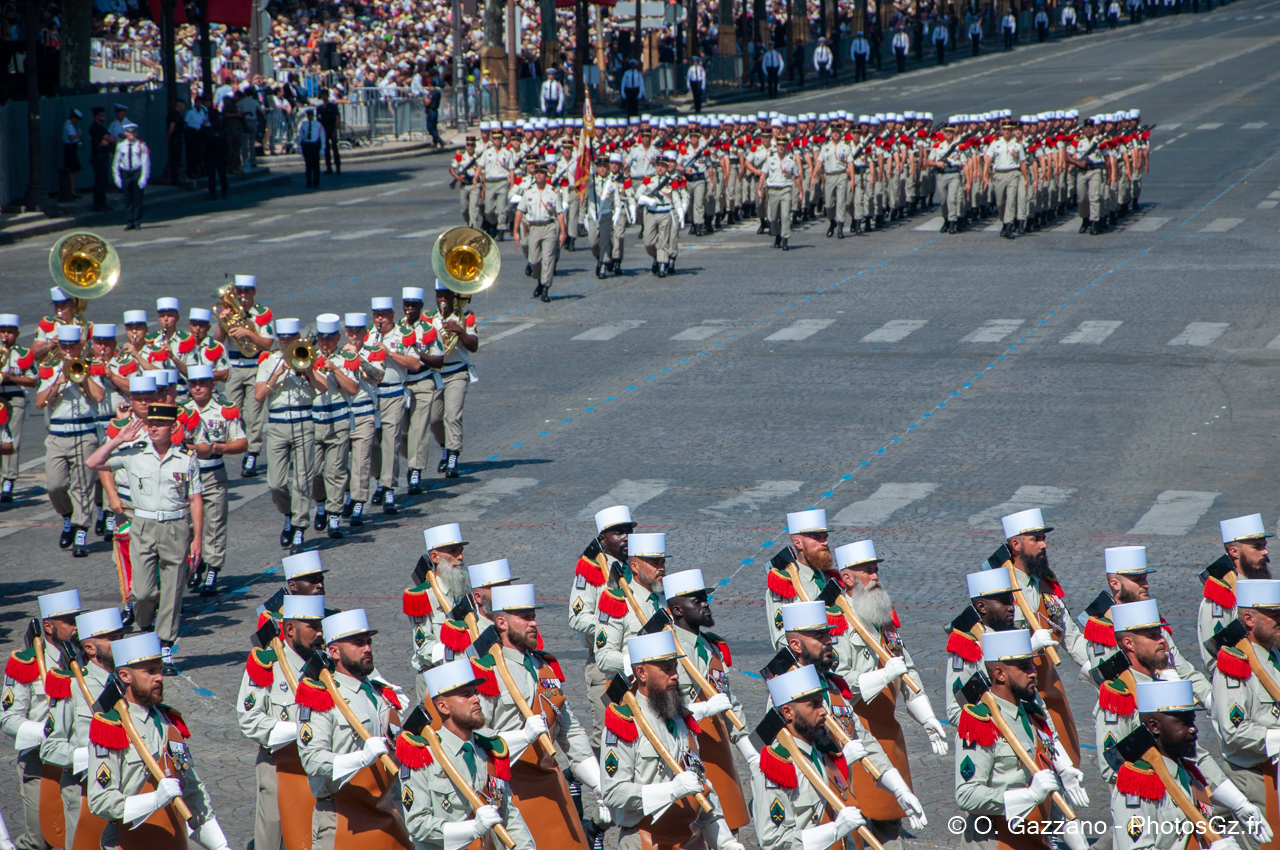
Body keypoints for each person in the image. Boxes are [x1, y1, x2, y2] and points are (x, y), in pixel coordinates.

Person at [829, 540, 942, 850]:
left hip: (889, 734)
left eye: (876, 570)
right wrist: (881, 675)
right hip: (854, 734)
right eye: (867, 571)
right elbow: (837, 682)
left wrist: (928, 718)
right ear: (848, 578)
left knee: (891, 820)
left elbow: (909, 673)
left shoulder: (883, 616)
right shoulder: (836, 624)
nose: (875, 577)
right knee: (857, 822)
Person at [471, 582, 602, 848]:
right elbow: (477, 737)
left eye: (534, 616)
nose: (533, 623)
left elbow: (570, 728)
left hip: (551, 782)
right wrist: (522, 736)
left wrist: (598, 784)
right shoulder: (487, 671)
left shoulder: (544, 666)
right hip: (511, 787)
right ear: (501, 622)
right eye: (525, 617)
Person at [599, 631, 743, 850]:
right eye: (666, 669)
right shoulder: (624, 723)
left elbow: (702, 787)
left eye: (675, 667)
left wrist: (725, 842)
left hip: (691, 839)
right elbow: (613, 793)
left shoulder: (683, 718)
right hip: (646, 839)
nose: (675, 675)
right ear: (642, 673)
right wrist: (670, 791)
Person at [87, 632, 231, 850]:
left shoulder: (168, 721)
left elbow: (191, 784)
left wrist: (219, 845)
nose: (160, 677)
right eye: (150, 671)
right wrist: (154, 800)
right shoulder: (110, 729)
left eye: (161, 670)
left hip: (172, 839)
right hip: (129, 840)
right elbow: (100, 800)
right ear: (125, 676)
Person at [87, 402, 202, 675]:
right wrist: (118, 439)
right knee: (142, 592)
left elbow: (196, 498)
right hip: (143, 524)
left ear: (173, 427)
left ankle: (165, 645)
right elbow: (94, 462)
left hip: (175, 524)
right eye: (150, 423)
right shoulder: (133, 452)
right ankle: (146, 627)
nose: (153, 428)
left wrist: (198, 538)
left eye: (159, 424)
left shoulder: (186, 457)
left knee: (173, 590)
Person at [954, 630, 1088, 850]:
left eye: (1032, 666)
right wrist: (1027, 796)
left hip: (1035, 838)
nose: (1033, 673)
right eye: (1024, 667)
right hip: (998, 839)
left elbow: (1047, 785)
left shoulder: (1032, 715)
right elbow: (966, 795)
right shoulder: (980, 722)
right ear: (1000, 674)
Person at [296, 609, 411, 850]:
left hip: (384, 810)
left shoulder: (380, 693)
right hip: (342, 815)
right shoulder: (321, 698)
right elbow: (312, 759)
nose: (367, 648)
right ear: (334, 651)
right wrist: (361, 758)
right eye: (358, 643)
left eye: (368, 642)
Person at [400, 657, 533, 849]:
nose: (476, 699)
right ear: (443, 707)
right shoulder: (424, 757)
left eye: (475, 692)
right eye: (466, 694)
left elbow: (508, 813)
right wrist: (472, 830)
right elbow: (417, 824)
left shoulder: (488, 751)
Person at [1110, 680, 1256, 850]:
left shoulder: (1188, 773)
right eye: (1184, 722)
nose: (1194, 729)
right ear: (1154, 727)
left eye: (1192, 721)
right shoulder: (1139, 785)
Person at [663, 569, 754, 831]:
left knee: (730, 827)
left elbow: (729, 700)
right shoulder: (664, 648)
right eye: (697, 600)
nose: (706, 604)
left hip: (718, 748)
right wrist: (701, 709)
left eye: (706, 598)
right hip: (685, 750)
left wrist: (749, 753)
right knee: (694, 830)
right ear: (678, 610)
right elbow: (657, 708)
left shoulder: (712, 647)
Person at [994, 508, 1085, 766]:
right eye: (1036, 539)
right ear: (1016, 545)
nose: (1044, 544)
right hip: (1017, 697)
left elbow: (1070, 636)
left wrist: (1097, 671)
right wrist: (1028, 646)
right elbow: (989, 646)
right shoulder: (999, 590)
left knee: (1068, 763)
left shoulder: (1044, 583)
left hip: (1050, 692)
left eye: (1044, 538)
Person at [237, 592, 326, 850]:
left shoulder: (326, 666)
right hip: (279, 767)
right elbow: (249, 719)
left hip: (318, 770)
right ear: (290, 629)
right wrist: (300, 731)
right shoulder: (266, 664)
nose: (320, 633)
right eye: (312, 627)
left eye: (321, 626)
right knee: (272, 842)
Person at [752, 664, 869, 850]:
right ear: (788, 712)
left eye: (821, 703)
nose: (823, 711)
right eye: (813, 705)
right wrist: (834, 831)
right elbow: (774, 842)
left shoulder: (825, 751)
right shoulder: (778, 766)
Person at [0, 589, 80, 850]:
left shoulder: (85, 660)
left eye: (77, 620)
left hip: (78, 760)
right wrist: (46, 731)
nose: (76, 628)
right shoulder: (27, 663)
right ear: (48, 626)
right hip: (40, 761)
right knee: (40, 839)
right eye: (69, 622)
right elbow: (8, 718)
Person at [40, 605, 124, 850]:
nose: (119, 643)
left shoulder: (129, 683)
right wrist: (86, 757)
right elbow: (50, 747)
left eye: (121, 637)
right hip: (82, 789)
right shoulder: (73, 686)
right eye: (111, 639)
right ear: (90, 648)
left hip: (123, 789)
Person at [1210, 579, 1280, 850]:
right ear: (1249, 618)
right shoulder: (1234, 667)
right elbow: (1234, 731)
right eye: (1274, 615)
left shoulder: (1272, 654)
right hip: (1255, 776)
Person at [255, 317, 325, 552]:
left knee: (303, 478)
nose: (286, 344)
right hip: (276, 425)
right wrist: (279, 373)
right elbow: (258, 395)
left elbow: (322, 389)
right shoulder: (269, 361)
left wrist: (307, 370)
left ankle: (299, 527)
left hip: (304, 422)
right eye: (283, 340)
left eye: (290, 340)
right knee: (276, 483)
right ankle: (287, 514)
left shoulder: (306, 356)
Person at [567, 505, 634, 746]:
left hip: (640, 661)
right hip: (604, 662)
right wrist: (612, 626)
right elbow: (576, 617)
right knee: (605, 734)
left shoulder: (638, 566)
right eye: (618, 532)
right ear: (603, 540)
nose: (626, 537)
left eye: (629, 531)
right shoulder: (591, 570)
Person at [37, 324, 106, 557]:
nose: (68, 351)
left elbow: (99, 396)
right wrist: (59, 381)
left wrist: (81, 377)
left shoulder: (90, 367)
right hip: (57, 435)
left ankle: (81, 531)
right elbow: (39, 403)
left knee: (83, 486)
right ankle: (67, 517)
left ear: (80, 346)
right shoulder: (49, 368)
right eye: (64, 346)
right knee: (54, 485)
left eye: (72, 346)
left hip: (84, 433)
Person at [187, 363, 246, 595]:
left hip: (213, 472)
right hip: (188, 474)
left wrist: (219, 447)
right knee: (189, 526)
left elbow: (242, 442)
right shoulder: (181, 410)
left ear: (213, 384)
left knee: (215, 523)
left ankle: (213, 569)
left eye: (203, 383)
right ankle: (194, 563)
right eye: (194, 384)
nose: (198, 388)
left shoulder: (224, 409)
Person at [213, 275, 274, 477]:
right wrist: (223, 323)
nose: (242, 295)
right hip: (234, 368)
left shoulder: (261, 315)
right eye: (239, 292)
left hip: (255, 366)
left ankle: (252, 453)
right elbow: (217, 343)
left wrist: (248, 333)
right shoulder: (229, 312)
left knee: (253, 413)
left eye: (247, 291)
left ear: (254, 292)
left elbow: (267, 345)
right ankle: (229, 446)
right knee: (232, 410)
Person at [1197, 514, 1269, 675]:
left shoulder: (1263, 588)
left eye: (1264, 545)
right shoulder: (1220, 600)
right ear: (1234, 552)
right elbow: (1214, 658)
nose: (1265, 551)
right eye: (1257, 547)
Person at [419, 282, 477, 479]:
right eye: (439, 295)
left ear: (454, 296)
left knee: (452, 415)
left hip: (457, 373)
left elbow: (474, 345)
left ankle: (453, 456)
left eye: (446, 295)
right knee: (435, 419)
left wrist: (459, 331)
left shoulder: (464, 317)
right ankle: (445, 447)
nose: (442, 299)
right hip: (436, 373)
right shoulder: (428, 319)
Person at [595, 532, 670, 678]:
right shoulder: (618, 603)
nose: (661, 569)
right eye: (655, 563)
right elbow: (604, 657)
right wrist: (641, 662)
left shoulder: (669, 599)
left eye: (663, 563)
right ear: (634, 567)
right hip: (635, 688)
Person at [308, 314, 355, 539]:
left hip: (338, 421)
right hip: (314, 421)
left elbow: (352, 389)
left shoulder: (347, 357)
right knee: (315, 471)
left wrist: (335, 370)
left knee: (334, 471)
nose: (325, 343)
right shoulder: (308, 357)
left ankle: (334, 516)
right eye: (321, 339)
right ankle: (320, 505)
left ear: (337, 337)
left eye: (329, 339)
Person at [337, 312, 382, 524]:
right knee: (338, 460)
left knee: (361, 461)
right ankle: (346, 494)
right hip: (343, 413)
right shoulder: (338, 354)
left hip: (364, 413)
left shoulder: (373, 352)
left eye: (359, 332)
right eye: (351, 332)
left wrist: (358, 358)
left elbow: (378, 375)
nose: (354, 336)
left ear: (365, 333)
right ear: (346, 332)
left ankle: (358, 503)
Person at [513, 164, 565, 302]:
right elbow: (520, 211)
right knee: (534, 260)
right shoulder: (528, 192)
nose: (539, 175)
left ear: (546, 175)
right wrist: (515, 230)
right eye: (537, 173)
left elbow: (559, 213)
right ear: (534, 175)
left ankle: (545, 288)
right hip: (534, 227)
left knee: (548, 258)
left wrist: (563, 232)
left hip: (549, 227)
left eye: (542, 173)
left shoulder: (553, 193)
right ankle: (540, 282)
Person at [0, 314, 37, 503]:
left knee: (11, 439)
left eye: (10, 332)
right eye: (3, 332)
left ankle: (8, 479)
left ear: (17, 333)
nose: (6, 336)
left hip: (15, 397)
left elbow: (33, 381)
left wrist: (11, 378)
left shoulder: (23, 354)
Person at [636, 155, 680, 277]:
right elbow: (638, 194)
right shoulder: (649, 179)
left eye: (663, 166)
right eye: (658, 166)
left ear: (667, 167)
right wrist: (648, 200)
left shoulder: (672, 181)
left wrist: (680, 210)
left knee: (663, 240)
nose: (660, 168)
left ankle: (662, 264)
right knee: (648, 241)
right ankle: (657, 256)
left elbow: (675, 197)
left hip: (665, 212)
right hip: (651, 212)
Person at [986, 120, 1028, 238]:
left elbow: (1022, 162)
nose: (1007, 132)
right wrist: (985, 175)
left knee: (1011, 200)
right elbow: (988, 160)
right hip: (999, 174)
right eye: (1005, 130)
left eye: (1009, 130)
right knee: (1000, 202)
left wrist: (1025, 178)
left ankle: (1009, 225)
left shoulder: (1017, 145)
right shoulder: (995, 144)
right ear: (1001, 131)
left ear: (1012, 131)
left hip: (1013, 173)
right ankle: (1004, 221)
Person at [112, 123, 150, 231]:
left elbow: (145, 162)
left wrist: (144, 177)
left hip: (136, 172)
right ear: (126, 133)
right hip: (126, 173)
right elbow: (116, 163)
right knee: (128, 199)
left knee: (138, 198)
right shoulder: (121, 146)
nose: (132, 134)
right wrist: (117, 177)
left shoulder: (141, 145)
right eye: (129, 132)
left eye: (134, 132)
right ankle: (129, 221)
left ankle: (137, 221)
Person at [451, 137, 483, 228]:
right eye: (468, 145)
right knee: (464, 210)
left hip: (474, 185)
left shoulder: (478, 156)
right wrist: (457, 177)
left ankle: (474, 228)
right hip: (464, 185)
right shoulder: (460, 155)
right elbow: (451, 168)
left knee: (473, 208)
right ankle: (470, 223)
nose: (470, 147)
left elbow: (482, 172)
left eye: (472, 145)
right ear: (466, 145)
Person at [89, 107, 116, 212]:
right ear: (97, 116)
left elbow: (109, 139)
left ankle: (103, 202)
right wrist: (109, 140)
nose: (104, 117)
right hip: (98, 157)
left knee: (103, 180)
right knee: (100, 180)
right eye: (102, 115)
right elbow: (110, 138)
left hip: (103, 156)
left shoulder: (101, 127)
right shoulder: (95, 127)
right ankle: (98, 203)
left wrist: (108, 140)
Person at [204, 112, 231, 201]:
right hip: (210, 155)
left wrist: (228, 155)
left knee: (222, 175)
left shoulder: (223, 130)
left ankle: (225, 191)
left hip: (221, 155)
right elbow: (204, 145)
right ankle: (212, 192)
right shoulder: (208, 130)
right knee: (211, 175)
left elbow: (228, 142)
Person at [297, 107, 325, 189]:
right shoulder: (304, 124)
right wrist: (299, 146)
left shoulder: (318, 125)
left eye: (311, 115)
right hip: (307, 145)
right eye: (308, 115)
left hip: (314, 145)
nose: (310, 117)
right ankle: (308, 182)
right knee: (308, 165)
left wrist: (323, 148)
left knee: (316, 165)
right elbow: (300, 136)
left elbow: (322, 137)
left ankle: (316, 182)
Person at [184, 94, 210, 178]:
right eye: (197, 102)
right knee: (191, 153)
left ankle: (200, 170)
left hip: (200, 132)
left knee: (199, 152)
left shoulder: (203, 111)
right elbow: (186, 122)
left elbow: (205, 121)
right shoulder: (190, 112)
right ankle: (191, 171)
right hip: (192, 132)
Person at [316, 90, 341, 175]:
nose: (324, 97)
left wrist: (335, 129)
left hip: (332, 127)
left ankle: (337, 166)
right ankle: (328, 167)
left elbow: (337, 117)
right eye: (323, 95)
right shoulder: (319, 108)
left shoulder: (333, 106)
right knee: (326, 149)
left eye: (325, 95)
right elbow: (318, 120)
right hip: (324, 129)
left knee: (334, 148)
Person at [62, 109, 83, 193]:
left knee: (73, 170)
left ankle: (72, 189)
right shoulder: (68, 125)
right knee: (71, 169)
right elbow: (71, 138)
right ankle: (71, 190)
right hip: (70, 148)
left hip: (73, 148)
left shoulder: (70, 125)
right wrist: (78, 134)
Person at [164, 99, 185, 184]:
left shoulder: (178, 115)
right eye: (183, 105)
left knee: (176, 159)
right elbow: (172, 126)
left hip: (178, 137)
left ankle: (175, 177)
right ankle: (174, 179)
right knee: (175, 159)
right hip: (175, 139)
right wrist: (168, 136)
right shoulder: (174, 114)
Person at [425, 79, 444, 148]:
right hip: (435, 111)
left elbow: (427, 102)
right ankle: (435, 142)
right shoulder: (437, 92)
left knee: (430, 128)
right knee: (434, 127)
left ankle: (439, 140)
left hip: (431, 111)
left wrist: (426, 96)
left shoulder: (432, 93)